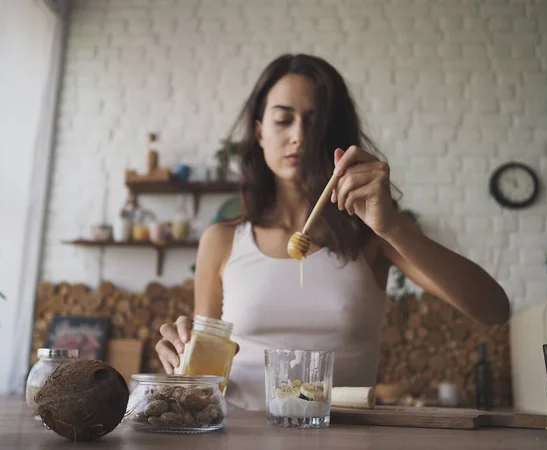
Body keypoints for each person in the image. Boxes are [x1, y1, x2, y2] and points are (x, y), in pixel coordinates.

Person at [155, 53, 510, 411]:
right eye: (283, 120)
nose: (298, 136)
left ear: (334, 134)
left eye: (314, 122)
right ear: (260, 131)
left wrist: (393, 227)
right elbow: (202, 376)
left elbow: (494, 309)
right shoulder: (221, 241)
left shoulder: (374, 235)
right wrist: (181, 352)